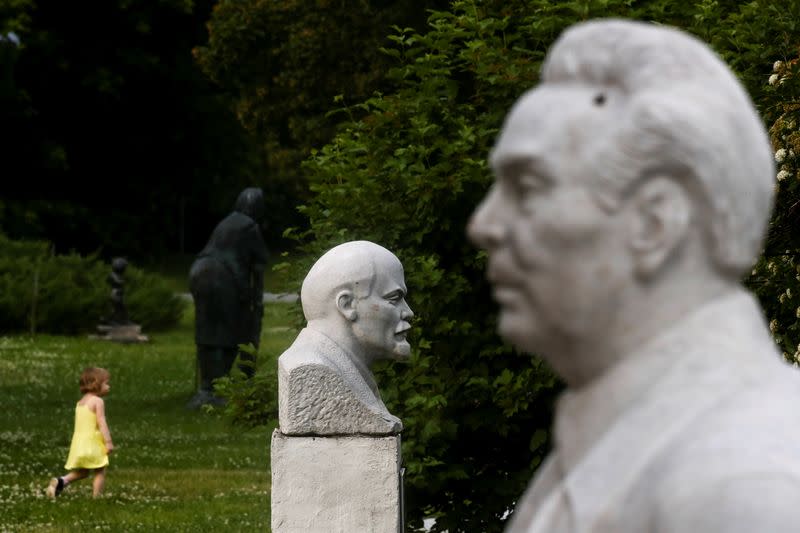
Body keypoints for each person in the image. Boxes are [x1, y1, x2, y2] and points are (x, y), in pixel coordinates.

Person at [468, 18, 800, 533]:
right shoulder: (610, 452)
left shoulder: (742, 489)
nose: (484, 225)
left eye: (527, 187)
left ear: (655, 222)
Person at [278, 240, 413, 435]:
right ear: (347, 305)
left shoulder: (340, 367)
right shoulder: (312, 369)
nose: (408, 312)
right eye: (394, 298)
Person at [187, 187, 269, 407]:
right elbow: (258, 269)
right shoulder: (250, 227)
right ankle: (216, 388)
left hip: (199, 270)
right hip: (222, 277)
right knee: (231, 332)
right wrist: (256, 302)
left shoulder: (227, 222)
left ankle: (207, 387)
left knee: (206, 330)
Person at [46, 367, 114, 499]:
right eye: (106, 383)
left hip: (79, 443)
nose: (108, 386)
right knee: (100, 470)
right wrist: (108, 442)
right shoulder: (98, 401)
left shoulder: (80, 403)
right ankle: (97, 498)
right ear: (96, 383)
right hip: (93, 442)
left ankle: (61, 481)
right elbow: (101, 422)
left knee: (83, 472)